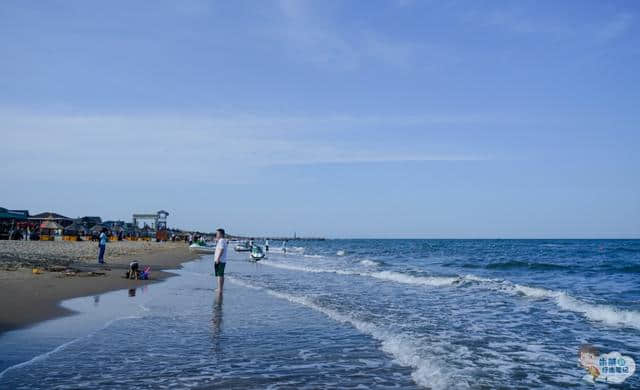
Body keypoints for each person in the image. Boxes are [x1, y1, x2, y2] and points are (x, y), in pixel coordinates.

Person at [214, 228, 228, 295]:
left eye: (217, 233)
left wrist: (218, 258)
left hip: (220, 260)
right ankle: (220, 288)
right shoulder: (221, 240)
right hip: (221, 260)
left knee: (220, 275)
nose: (216, 234)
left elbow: (221, 250)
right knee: (220, 275)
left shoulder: (222, 240)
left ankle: (220, 289)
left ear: (221, 234)